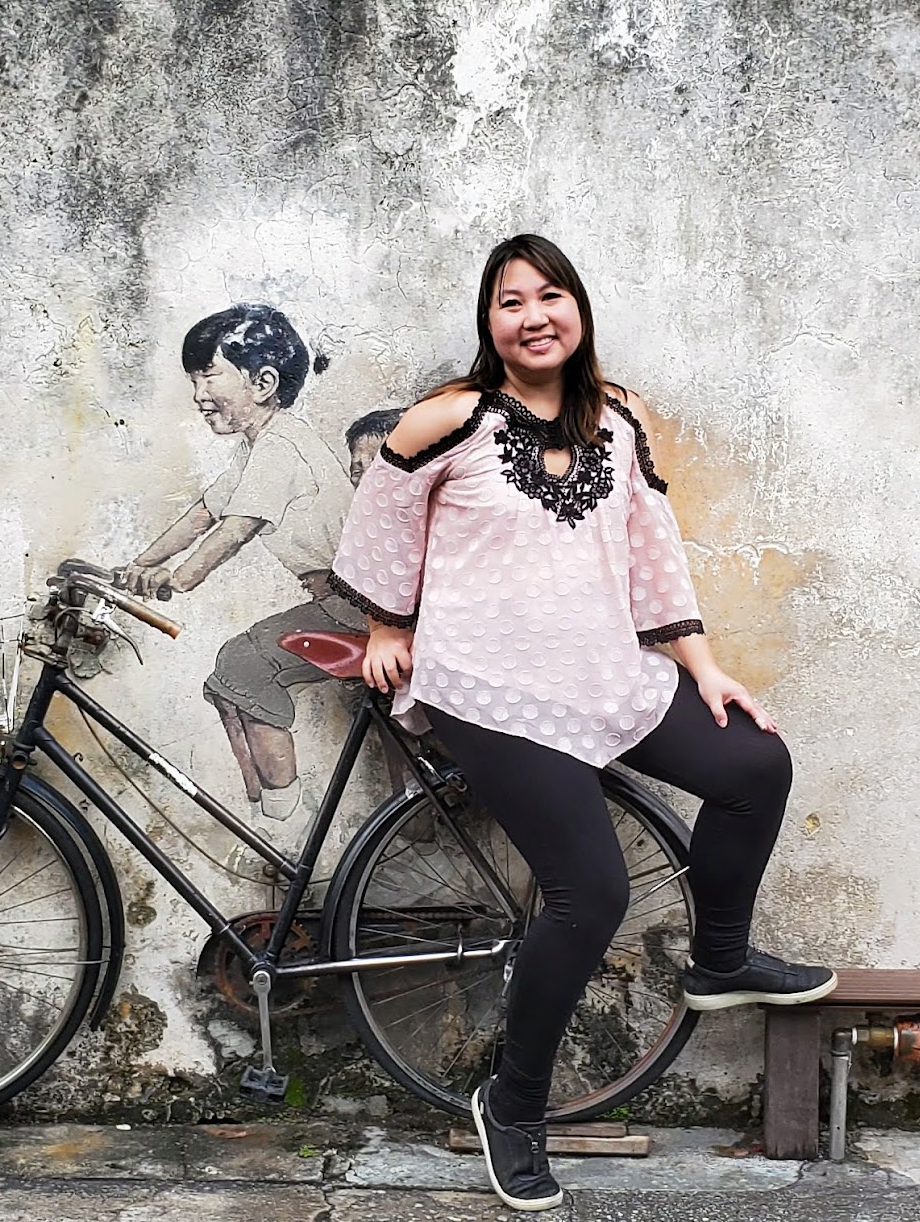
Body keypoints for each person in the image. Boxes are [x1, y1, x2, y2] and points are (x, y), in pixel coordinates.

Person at [328, 234, 833, 1213]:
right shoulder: (450, 417)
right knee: (589, 891)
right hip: (485, 688)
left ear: (578, 308)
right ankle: (510, 1104)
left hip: (604, 673)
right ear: (488, 324)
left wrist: (703, 666)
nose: (532, 314)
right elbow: (382, 515)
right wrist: (386, 624)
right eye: (508, 301)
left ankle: (717, 957)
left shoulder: (620, 419)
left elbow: (653, 553)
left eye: (548, 294)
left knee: (753, 763)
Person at [121, 304, 359, 820]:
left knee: (243, 664)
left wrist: (176, 579)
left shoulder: (283, 447)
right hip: (339, 604)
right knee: (229, 680)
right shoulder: (258, 448)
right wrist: (133, 566)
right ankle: (265, 808)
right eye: (193, 380)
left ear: (263, 382)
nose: (198, 395)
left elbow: (236, 529)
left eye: (209, 376)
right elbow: (204, 514)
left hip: (353, 608)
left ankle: (283, 816)